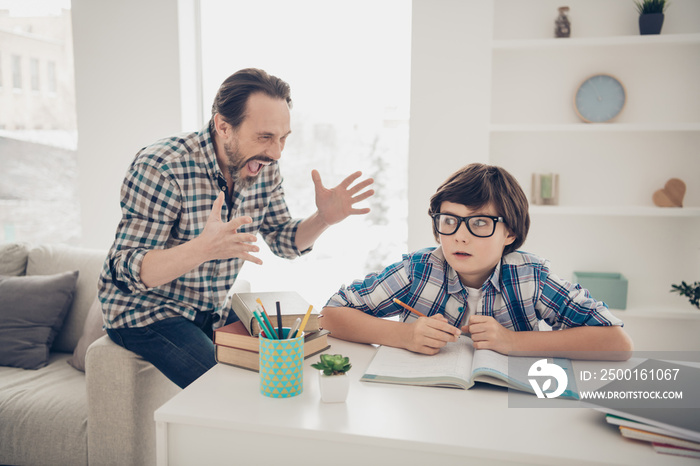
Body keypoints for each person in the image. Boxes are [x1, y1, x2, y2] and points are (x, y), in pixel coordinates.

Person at [98, 68, 374, 388]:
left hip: (210, 308)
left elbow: (284, 241)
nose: (276, 152)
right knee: (229, 390)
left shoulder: (263, 166)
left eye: (283, 138)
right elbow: (124, 272)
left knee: (295, 361)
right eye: (265, 137)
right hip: (147, 312)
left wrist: (323, 218)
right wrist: (202, 249)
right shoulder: (162, 166)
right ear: (223, 126)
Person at [321, 163, 632, 358]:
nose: (460, 236)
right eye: (449, 220)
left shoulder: (531, 277)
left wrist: (513, 342)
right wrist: (404, 335)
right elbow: (331, 315)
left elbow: (616, 342)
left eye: (480, 222)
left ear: (509, 232)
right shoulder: (419, 269)